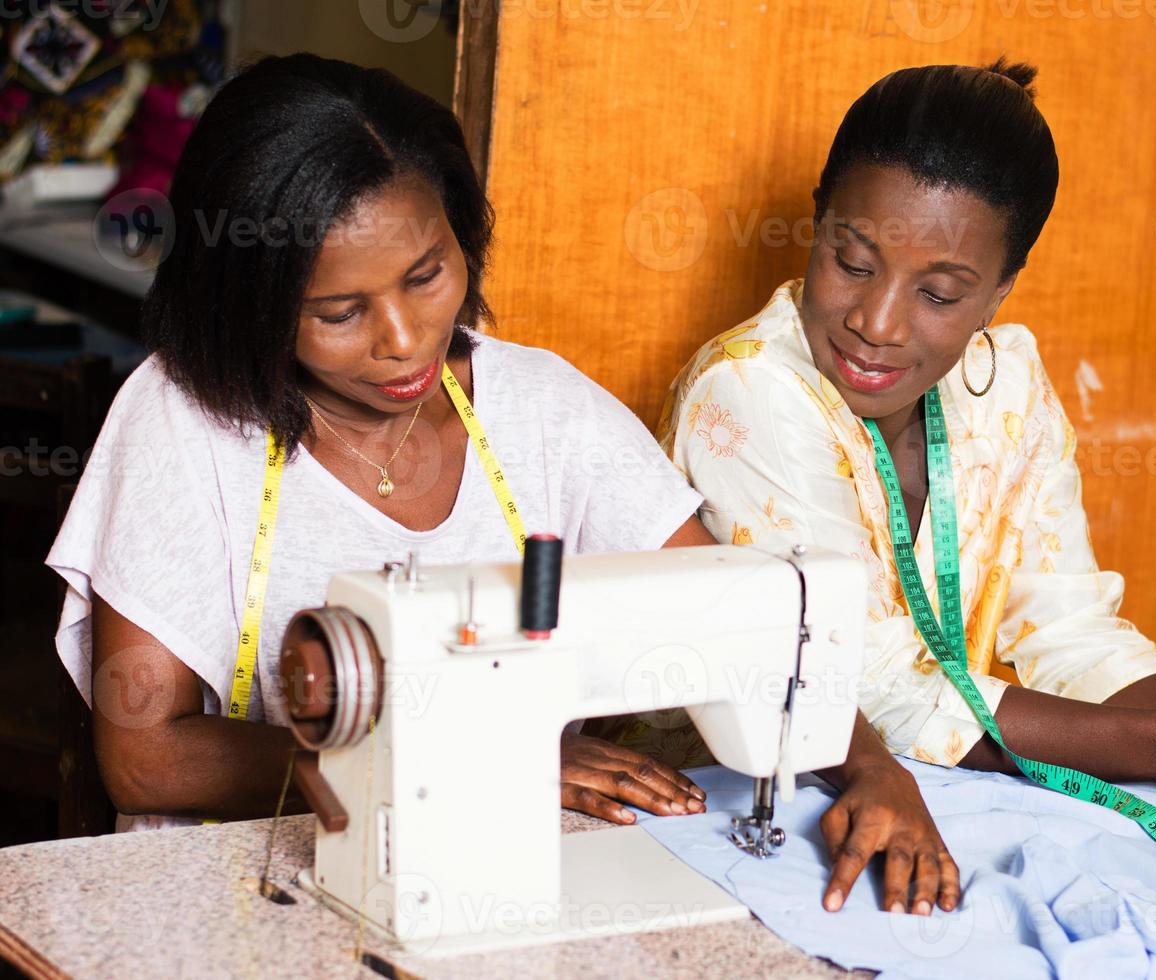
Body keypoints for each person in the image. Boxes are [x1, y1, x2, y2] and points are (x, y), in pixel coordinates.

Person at [650, 61, 1156, 916]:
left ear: (1001, 291)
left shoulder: (1006, 385)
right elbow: (857, 683)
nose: (878, 323)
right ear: (818, 221)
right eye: (853, 261)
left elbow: (1068, 631)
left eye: (940, 293)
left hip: (941, 796)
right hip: (729, 805)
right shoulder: (750, 387)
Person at [46, 54, 712, 831]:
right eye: (339, 313)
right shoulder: (181, 420)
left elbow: (726, 601)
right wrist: (476, 758)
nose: (404, 342)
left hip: (485, 856)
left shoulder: (541, 407)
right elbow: (148, 762)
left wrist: (868, 765)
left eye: (427, 276)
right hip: (238, 888)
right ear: (251, 304)